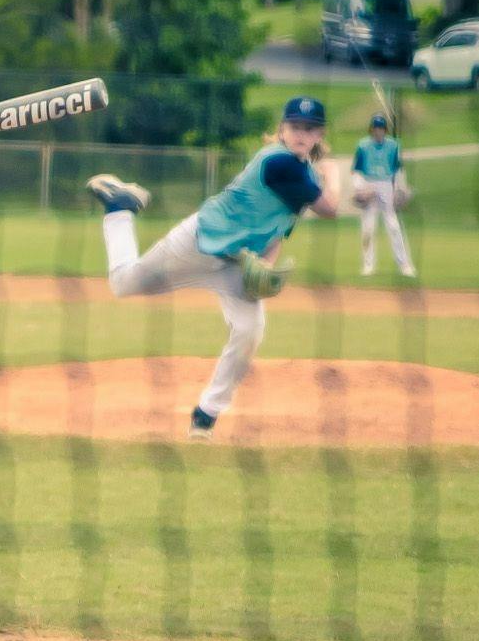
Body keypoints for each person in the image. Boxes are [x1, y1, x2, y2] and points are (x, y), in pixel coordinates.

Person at [87, 95, 341, 441]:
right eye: (295, 126)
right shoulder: (281, 162)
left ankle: (205, 415)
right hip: (197, 243)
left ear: (319, 135)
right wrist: (334, 176)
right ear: (282, 129)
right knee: (123, 284)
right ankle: (120, 207)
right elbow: (330, 209)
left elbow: (278, 230)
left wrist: (263, 268)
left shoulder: (303, 174)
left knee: (250, 330)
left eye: (309, 129)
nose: (301, 133)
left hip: (234, 264)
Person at [351, 110, 417, 278]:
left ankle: (404, 265)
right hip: (368, 183)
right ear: (371, 129)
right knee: (368, 228)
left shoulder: (394, 145)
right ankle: (368, 265)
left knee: (393, 226)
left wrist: (400, 188)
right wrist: (360, 189)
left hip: (386, 184)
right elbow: (357, 170)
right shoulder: (363, 145)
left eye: (380, 128)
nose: (378, 131)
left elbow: (398, 169)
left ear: (385, 130)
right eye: (375, 128)